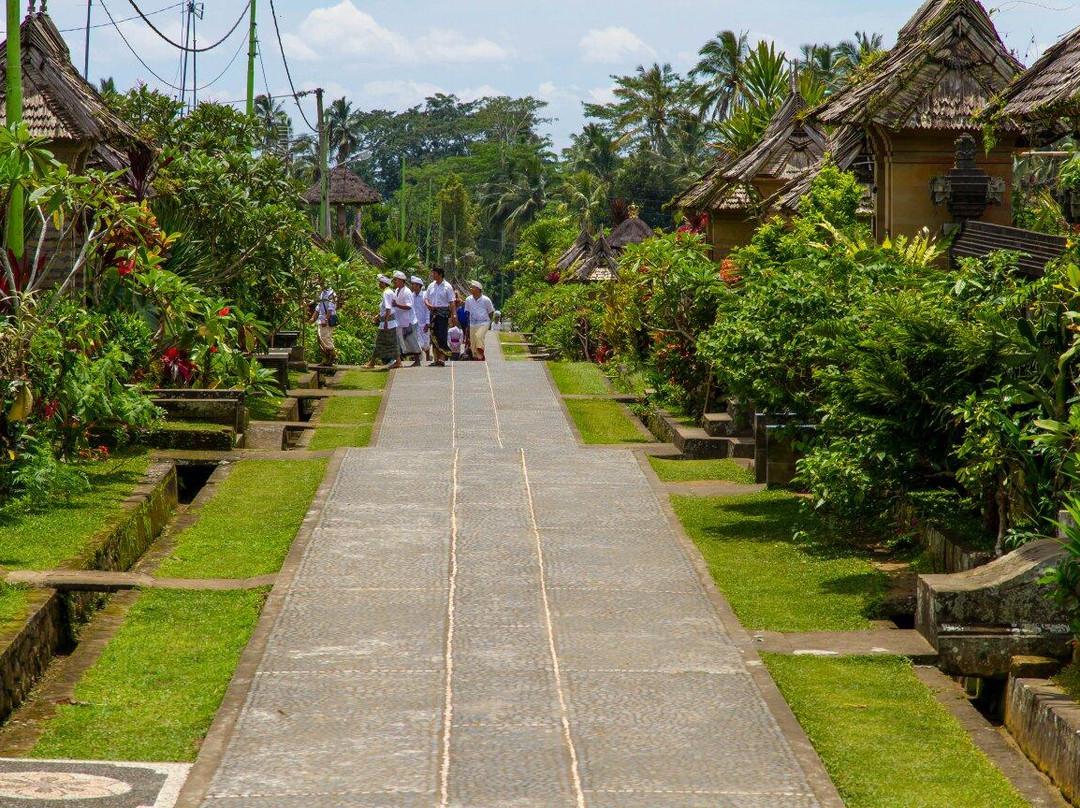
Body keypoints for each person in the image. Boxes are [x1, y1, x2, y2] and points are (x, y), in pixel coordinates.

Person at [425, 266, 456, 367]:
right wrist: (428, 304)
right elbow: (426, 298)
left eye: (434, 273)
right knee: (434, 336)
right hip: (433, 313)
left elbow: (452, 302)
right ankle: (436, 358)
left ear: (440, 274)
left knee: (442, 335)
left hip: (443, 313)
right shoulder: (431, 286)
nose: (432, 275)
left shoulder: (447, 286)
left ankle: (442, 358)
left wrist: (454, 315)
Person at [390, 270, 422, 367]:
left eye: (396, 280)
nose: (394, 282)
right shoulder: (396, 290)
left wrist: (396, 304)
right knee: (400, 341)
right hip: (400, 321)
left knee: (412, 340)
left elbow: (409, 306)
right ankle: (398, 360)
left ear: (401, 280)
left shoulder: (407, 292)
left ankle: (417, 360)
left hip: (409, 321)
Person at [373, 274, 401, 369]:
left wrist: (385, 321)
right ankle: (372, 362)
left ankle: (372, 362)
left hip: (387, 323)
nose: (379, 284)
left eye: (380, 282)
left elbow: (388, 308)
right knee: (389, 343)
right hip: (389, 322)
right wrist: (378, 316)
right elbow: (386, 308)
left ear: (383, 283)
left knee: (381, 342)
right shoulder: (389, 292)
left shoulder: (386, 293)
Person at [464, 280, 495, 361]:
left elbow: (491, 312)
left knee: (479, 336)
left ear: (478, 289)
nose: (470, 289)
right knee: (473, 343)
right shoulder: (468, 299)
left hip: (484, 322)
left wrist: (487, 320)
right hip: (473, 323)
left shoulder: (486, 300)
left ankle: (481, 350)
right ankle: (479, 358)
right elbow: (467, 312)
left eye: (472, 287)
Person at [308, 284, 337, 365]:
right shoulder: (322, 293)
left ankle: (333, 355)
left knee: (325, 338)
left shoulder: (332, 294)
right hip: (321, 319)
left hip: (328, 319)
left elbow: (331, 308)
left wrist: (326, 320)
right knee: (320, 339)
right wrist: (313, 318)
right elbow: (319, 307)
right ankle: (326, 359)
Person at [410, 275, 432, 364]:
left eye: (414, 284)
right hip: (415, 323)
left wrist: (427, 322)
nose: (412, 286)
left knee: (426, 343)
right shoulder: (411, 296)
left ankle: (427, 357)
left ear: (418, 286)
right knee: (416, 342)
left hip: (424, 323)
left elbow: (427, 310)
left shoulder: (425, 296)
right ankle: (417, 360)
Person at [455, 293, 471, 360]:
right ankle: (462, 340)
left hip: (466, 322)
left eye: (464, 303)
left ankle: (465, 341)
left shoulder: (467, 310)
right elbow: (457, 315)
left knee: (465, 331)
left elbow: (468, 316)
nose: (463, 304)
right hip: (461, 322)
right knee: (462, 331)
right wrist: (457, 322)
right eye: (463, 303)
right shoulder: (459, 309)